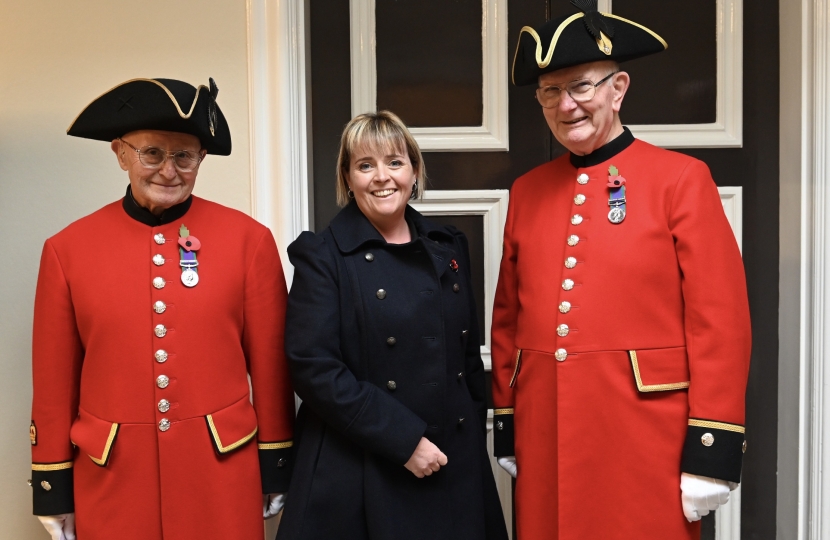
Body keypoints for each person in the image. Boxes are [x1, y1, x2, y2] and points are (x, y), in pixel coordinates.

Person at [491, 2, 752, 539]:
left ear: (618, 88)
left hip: (646, 440)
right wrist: (509, 419)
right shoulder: (527, 192)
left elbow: (720, 323)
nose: (566, 105)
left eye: (581, 86)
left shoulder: (681, 179)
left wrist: (712, 445)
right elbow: (508, 320)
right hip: (547, 436)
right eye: (550, 92)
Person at [30, 77, 296, 540]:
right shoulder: (66, 250)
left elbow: (271, 368)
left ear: (201, 159)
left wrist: (276, 462)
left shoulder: (249, 242)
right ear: (120, 153)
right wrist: (51, 482)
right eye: (152, 153)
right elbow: (54, 381)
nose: (168, 171)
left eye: (184, 157)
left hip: (220, 475)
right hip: (113, 479)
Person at [276, 111, 508, 540]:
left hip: (450, 464)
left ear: (414, 172)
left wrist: (471, 445)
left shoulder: (447, 246)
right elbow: (313, 367)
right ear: (348, 179)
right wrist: (405, 441)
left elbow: (466, 361)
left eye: (395, 162)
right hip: (361, 465)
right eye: (365, 165)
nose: (382, 177)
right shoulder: (323, 256)